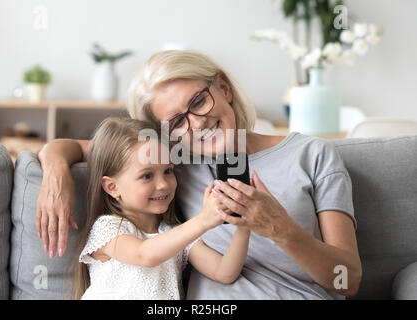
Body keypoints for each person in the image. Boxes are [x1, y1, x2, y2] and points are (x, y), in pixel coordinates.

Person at [37, 50, 362, 299]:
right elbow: (81, 148)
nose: (197, 123)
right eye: (177, 122)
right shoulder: (169, 162)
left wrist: (280, 229)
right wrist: (55, 171)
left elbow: (346, 281)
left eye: (199, 101)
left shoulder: (312, 154)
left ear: (223, 88)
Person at [75, 117, 250, 299]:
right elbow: (145, 255)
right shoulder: (107, 228)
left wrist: (244, 227)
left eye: (168, 171)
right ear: (113, 187)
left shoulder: (175, 235)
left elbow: (224, 272)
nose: (163, 185)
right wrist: (203, 221)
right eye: (147, 176)